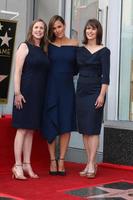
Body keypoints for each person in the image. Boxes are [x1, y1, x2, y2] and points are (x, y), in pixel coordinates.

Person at [12, 19, 49, 180]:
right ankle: (17, 166)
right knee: (22, 129)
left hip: (38, 95)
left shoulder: (43, 50)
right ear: (31, 29)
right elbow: (17, 71)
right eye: (36, 27)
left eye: (42, 28)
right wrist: (17, 92)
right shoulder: (24, 46)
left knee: (30, 130)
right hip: (25, 93)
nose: (39, 30)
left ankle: (27, 164)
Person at [42, 15, 78, 176]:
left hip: (67, 89)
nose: (57, 31)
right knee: (50, 121)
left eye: (59, 26)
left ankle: (61, 160)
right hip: (50, 87)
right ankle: (52, 160)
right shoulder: (48, 46)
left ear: (64, 25)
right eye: (54, 28)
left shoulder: (75, 44)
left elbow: (77, 68)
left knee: (65, 124)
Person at [76, 19, 110, 178]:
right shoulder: (80, 50)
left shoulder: (104, 51)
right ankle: (90, 162)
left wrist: (102, 95)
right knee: (84, 129)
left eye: (93, 29)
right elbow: (73, 69)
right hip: (81, 90)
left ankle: (91, 163)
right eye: (88, 28)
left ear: (98, 31)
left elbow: (106, 77)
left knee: (93, 127)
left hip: (96, 90)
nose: (90, 31)